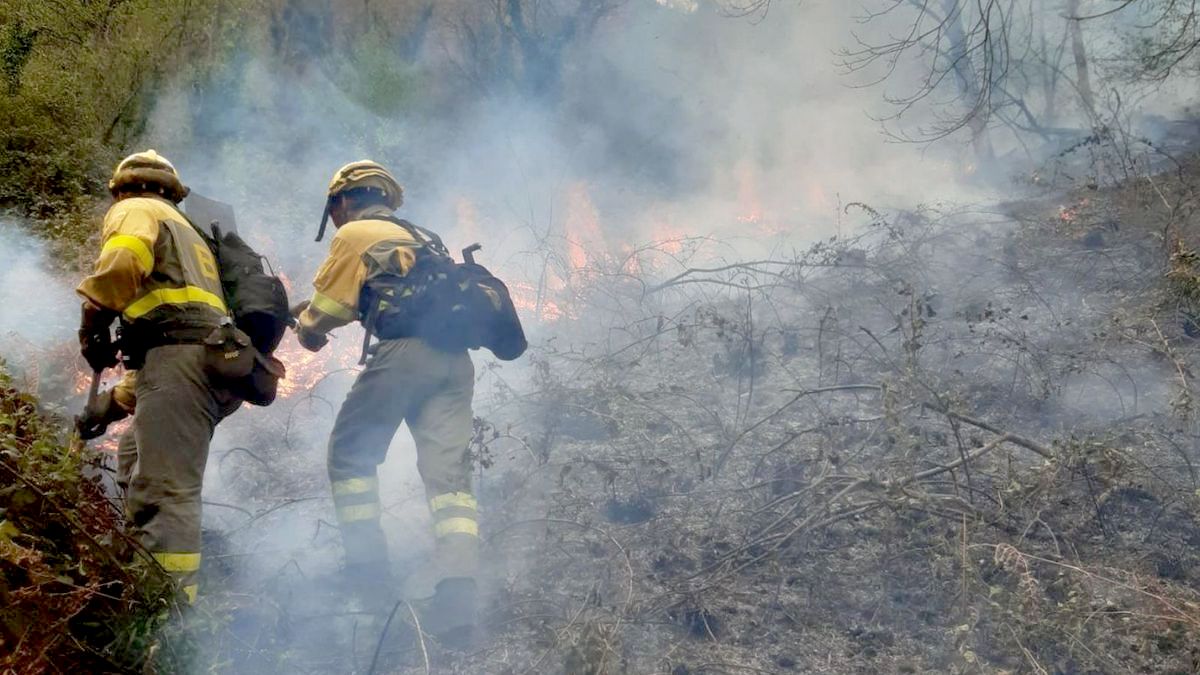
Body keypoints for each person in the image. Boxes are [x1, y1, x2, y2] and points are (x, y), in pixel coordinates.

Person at [295, 160, 479, 642]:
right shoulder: (423, 237)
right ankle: (458, 593)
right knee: (449, 476)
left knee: (350, 454)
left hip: (405, 355)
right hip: (454, 362)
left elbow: (327, 309)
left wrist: (308, 330)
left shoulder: (355, 233)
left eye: (334, 207)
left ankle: (368, 578)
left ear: (342, 200)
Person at [75, 150, 242, 604]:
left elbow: (122, 264)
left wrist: (93, 322)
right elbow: (180, 340)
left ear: (122, 189)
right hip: (210, 364)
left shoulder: (135, 208)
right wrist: (110, 405)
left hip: (181, 365)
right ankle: (139, 570)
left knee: (167, 492)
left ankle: (169, 616)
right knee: (134, 458)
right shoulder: (189, 232)